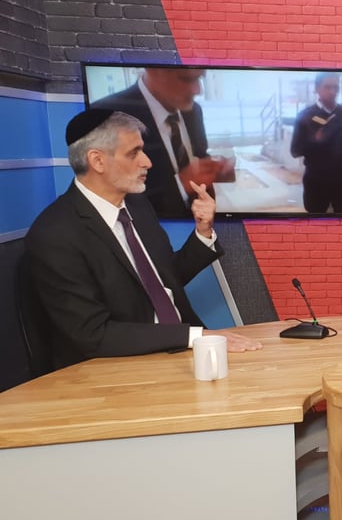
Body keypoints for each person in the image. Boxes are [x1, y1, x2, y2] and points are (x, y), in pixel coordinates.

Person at [24, 109, 261, 371]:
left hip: (180, 349)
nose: (147, 162)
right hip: (118, 370)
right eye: (133, 153)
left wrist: (203, 232)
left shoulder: (138, 205)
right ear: (97, 161)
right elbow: (93, 334)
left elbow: (165, 278)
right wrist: (193, 337)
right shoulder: (54, 233)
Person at [92, 67, 232, 218]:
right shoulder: (105, 115)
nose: (198, 90)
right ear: (152, 70)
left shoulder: (194, 110)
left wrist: (214, 171)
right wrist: (181, 185)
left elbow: (199, 158)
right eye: (186, 79)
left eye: (200, 78)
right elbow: (110, 200)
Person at [290, 72, 342, 214]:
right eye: (327, 87)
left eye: (336, 87)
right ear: (317, 88)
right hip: (317, 182)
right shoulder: (305, 116)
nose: (332, 92)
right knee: (315, 221)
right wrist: (314, 141)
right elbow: (295, 150)